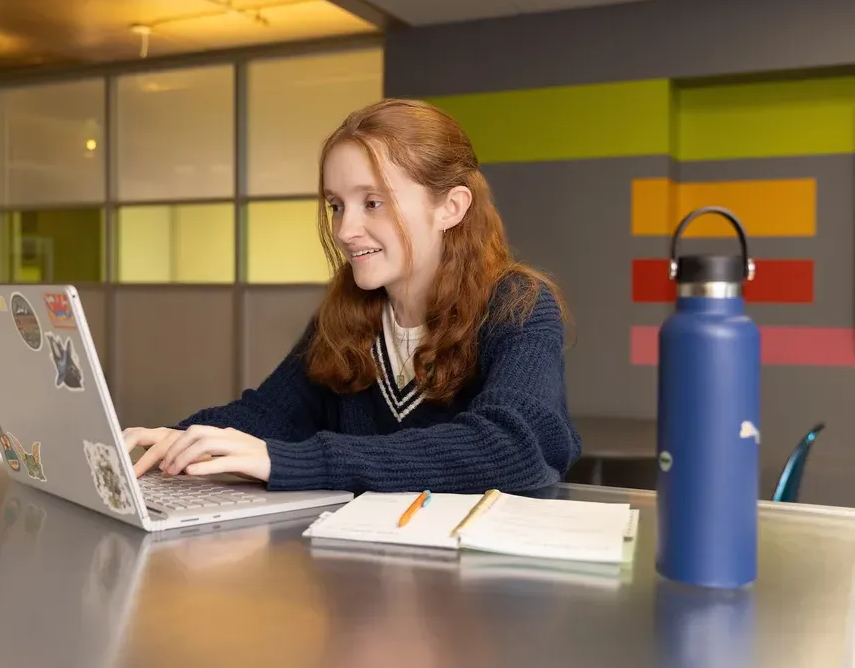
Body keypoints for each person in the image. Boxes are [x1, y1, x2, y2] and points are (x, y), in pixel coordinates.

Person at [123, 98, 581, 494]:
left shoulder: (518, 304)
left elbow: (516, 445)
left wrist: (293, 462)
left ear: (450, 207)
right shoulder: (348, 314)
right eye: (336, 205)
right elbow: (270, 414)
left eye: (373, 202)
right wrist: (176, 440)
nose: (344, 230)